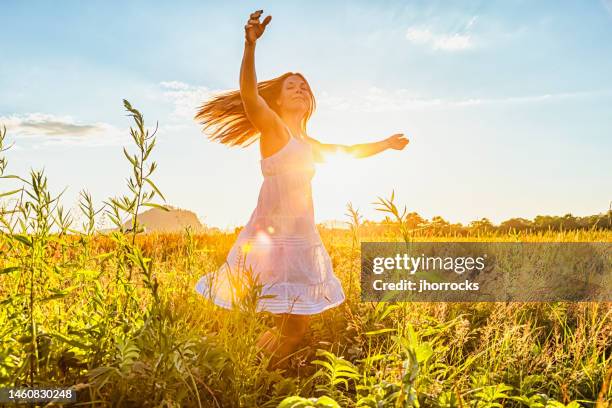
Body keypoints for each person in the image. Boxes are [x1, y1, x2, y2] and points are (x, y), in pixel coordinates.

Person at [194, 9, 409, 371]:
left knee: (293, 323)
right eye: (290, 86)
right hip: (272, 240)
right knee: (291, 324)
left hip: (300, 240)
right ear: (276, 101)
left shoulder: (308, 143)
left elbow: (348, 152)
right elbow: (249, 95)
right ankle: (249, 373)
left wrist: (385, 143)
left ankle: (254, 372)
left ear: (310, 101)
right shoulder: (275, 131)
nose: (299, 89)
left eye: (304, 87)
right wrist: (249, 46)